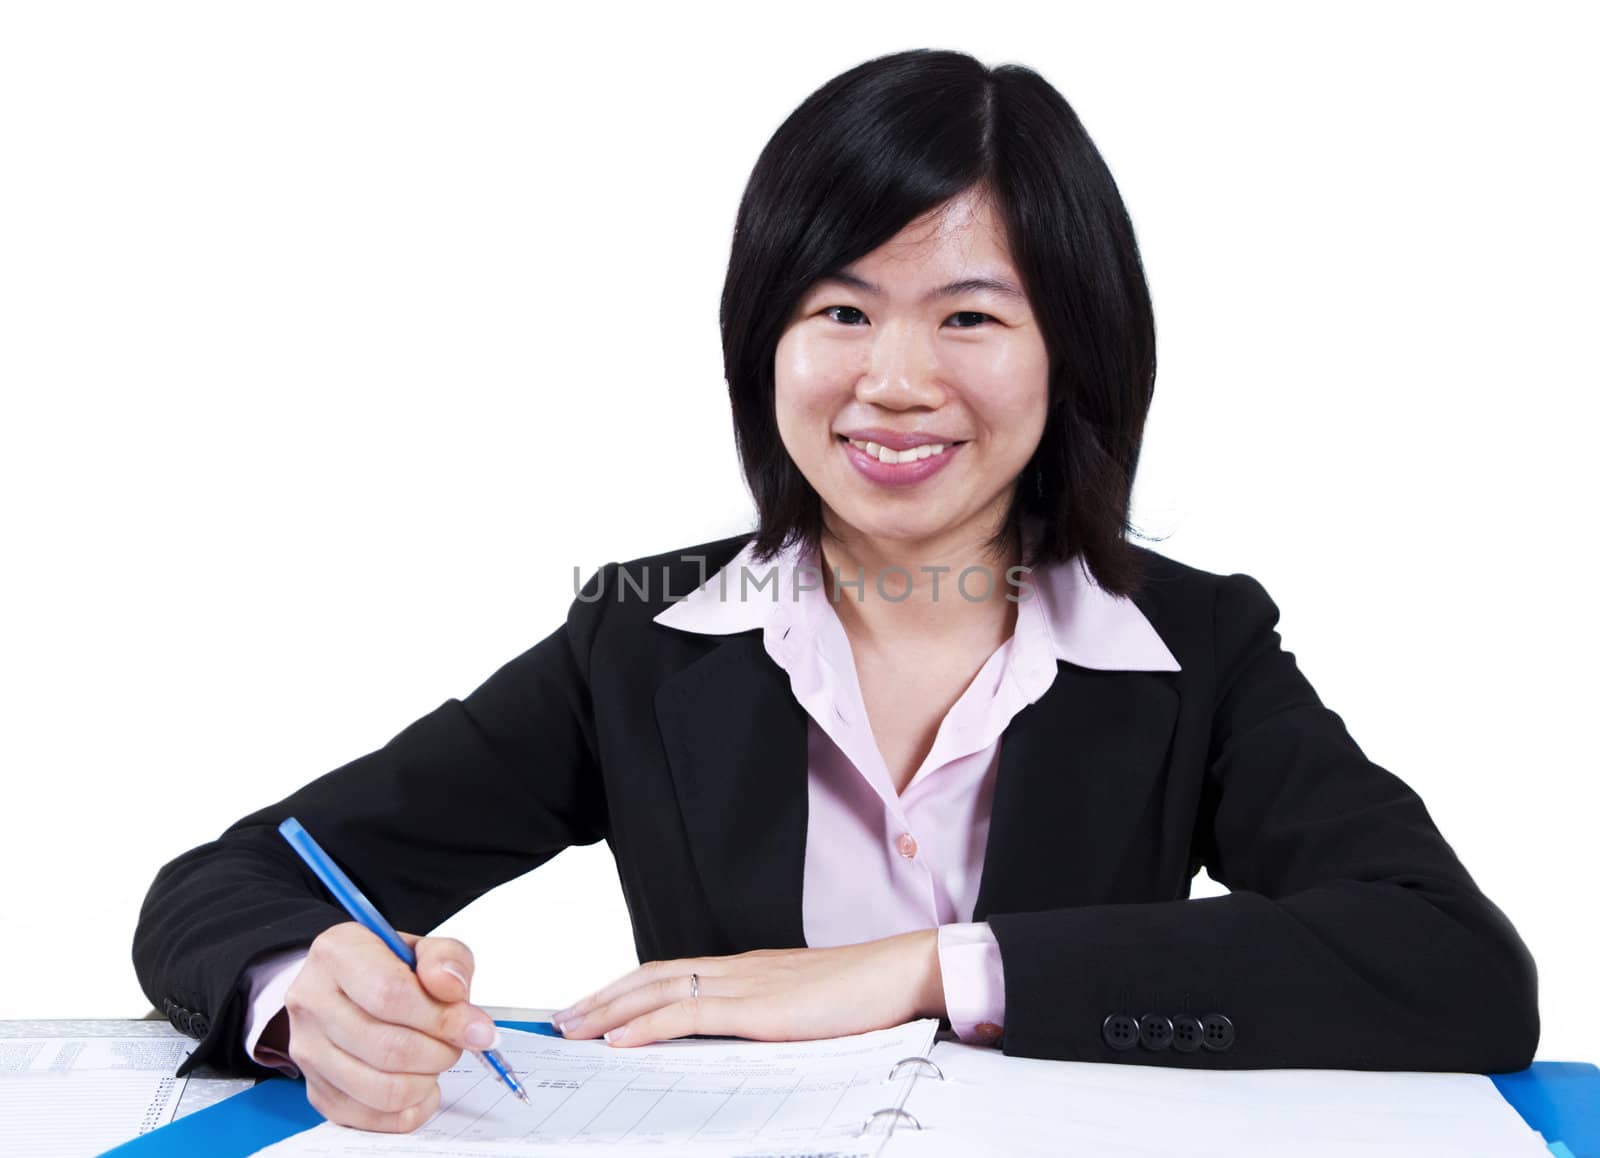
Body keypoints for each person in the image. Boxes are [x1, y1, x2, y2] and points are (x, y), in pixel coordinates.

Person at [131, 48, 1539, 1134]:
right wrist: (304, 991)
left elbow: (1454, 962)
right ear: (767, 342)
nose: (896, 380)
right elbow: (221, 886)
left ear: (1073, 352)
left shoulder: (1193, 646)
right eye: (841, 310)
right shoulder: (640, 642)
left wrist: (928, 967)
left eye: (971, 316)